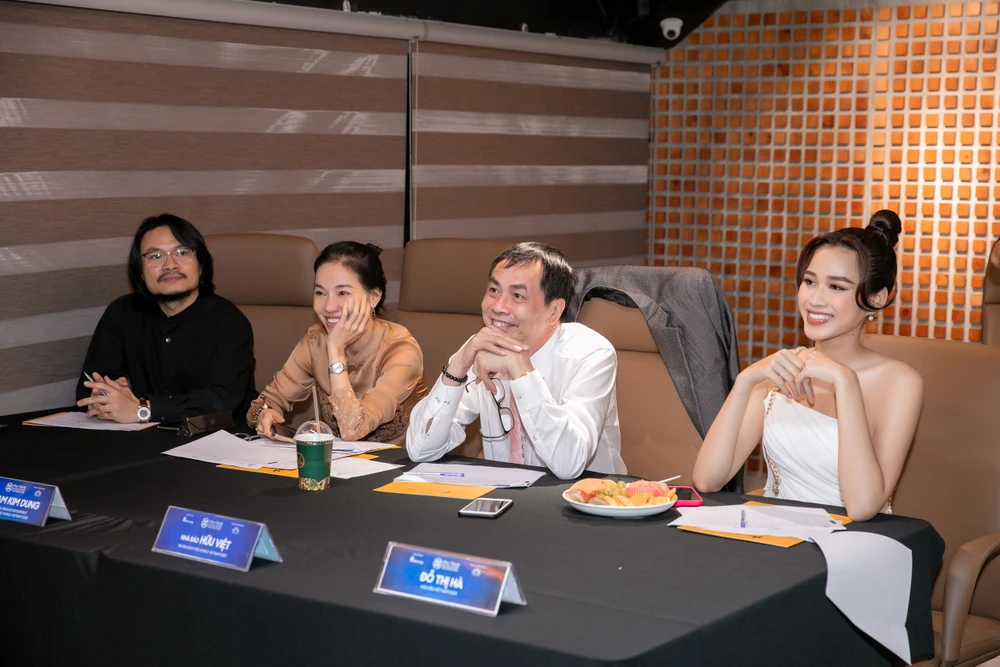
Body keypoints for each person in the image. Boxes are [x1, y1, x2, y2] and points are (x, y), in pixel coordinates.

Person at [691, 211, 923, 521]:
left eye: (836, 287)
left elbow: (863, 507)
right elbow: (707, 480)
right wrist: (745, 381)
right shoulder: (782, 370)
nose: (815, 300)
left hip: (855, 539)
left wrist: (845, 382)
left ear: (877, 298)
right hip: (774, 532)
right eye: (810, 282)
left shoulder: (901, 382)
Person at [405, 242, 627, 480]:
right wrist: (458, 365)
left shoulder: (591, 352)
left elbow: (569, 464)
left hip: (585, 497)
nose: (498, 307)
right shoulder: (481, 347)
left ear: (554, 311)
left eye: (517, 296)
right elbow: (420, 449)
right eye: (493, 290)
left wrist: (522, 372)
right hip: (502, 493)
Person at [76, 214, 257, 425]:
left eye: (182, 253)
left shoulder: (229, 321)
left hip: (219, 437)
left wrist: (143, 409)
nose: (170, 265)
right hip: (142, 437)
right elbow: (89, 386)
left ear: (201, 266)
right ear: (140, 272)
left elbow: (223, 400)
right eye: (155, 256)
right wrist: (105, 399)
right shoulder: (122, 313)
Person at [247, 242, 427, 444]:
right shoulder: (315, 340)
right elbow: (264, 403)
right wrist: (266, 412)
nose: (328, 306)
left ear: (374, 297)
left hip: (399, 458)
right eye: (320, 293)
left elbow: (353, 429)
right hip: (335, 458)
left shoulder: (401, 350)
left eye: (342, 293)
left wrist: (335, 350)